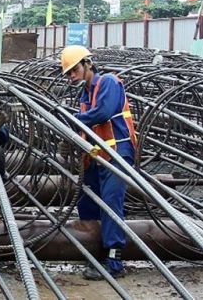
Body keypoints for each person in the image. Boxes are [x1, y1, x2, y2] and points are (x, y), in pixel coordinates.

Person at [61, 45, 137, 280]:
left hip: (116, 152)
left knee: (111, 203)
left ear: (88, 64)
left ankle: (114, 261)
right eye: (69, 73)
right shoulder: (85, 92)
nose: (72, 75)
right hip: (96, 155)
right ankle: (94, 249)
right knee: (86, 199)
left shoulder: (109, 83)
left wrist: (70, 118)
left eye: (75, 70)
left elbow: (102, 113)